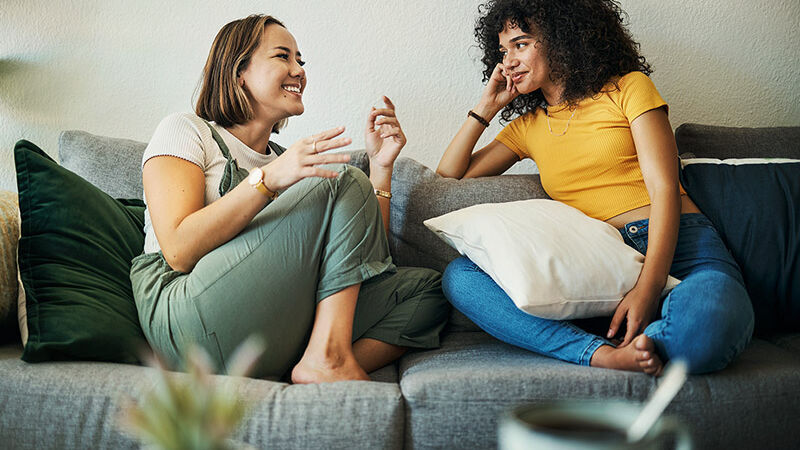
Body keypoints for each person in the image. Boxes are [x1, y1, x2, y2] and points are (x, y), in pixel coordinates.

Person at [436, 0, 753, 375]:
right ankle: (601, 353)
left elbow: (665, 189)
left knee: (710, 318)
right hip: (597, 264)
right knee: (461, 277)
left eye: (520, 45)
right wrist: (486, 107)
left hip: (682, 249)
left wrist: (647, 290)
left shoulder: (629, 88)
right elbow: (449, 176)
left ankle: (650, 337)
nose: (507, 62)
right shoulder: (529, 127)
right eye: (503, 51)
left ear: (561, 38)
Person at [130, 14, 449, 383]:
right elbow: (178, 250)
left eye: (301, 60)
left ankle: (316, 358)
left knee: (431, 290)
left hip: (270, 321)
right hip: (186, 317)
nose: (299, 70)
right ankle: (327, 358)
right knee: (341, 178)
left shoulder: (288, 160)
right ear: (239, 73)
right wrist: (269, 179)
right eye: (283, 56)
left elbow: (363, 258)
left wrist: (380, 168)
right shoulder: (187, 131)